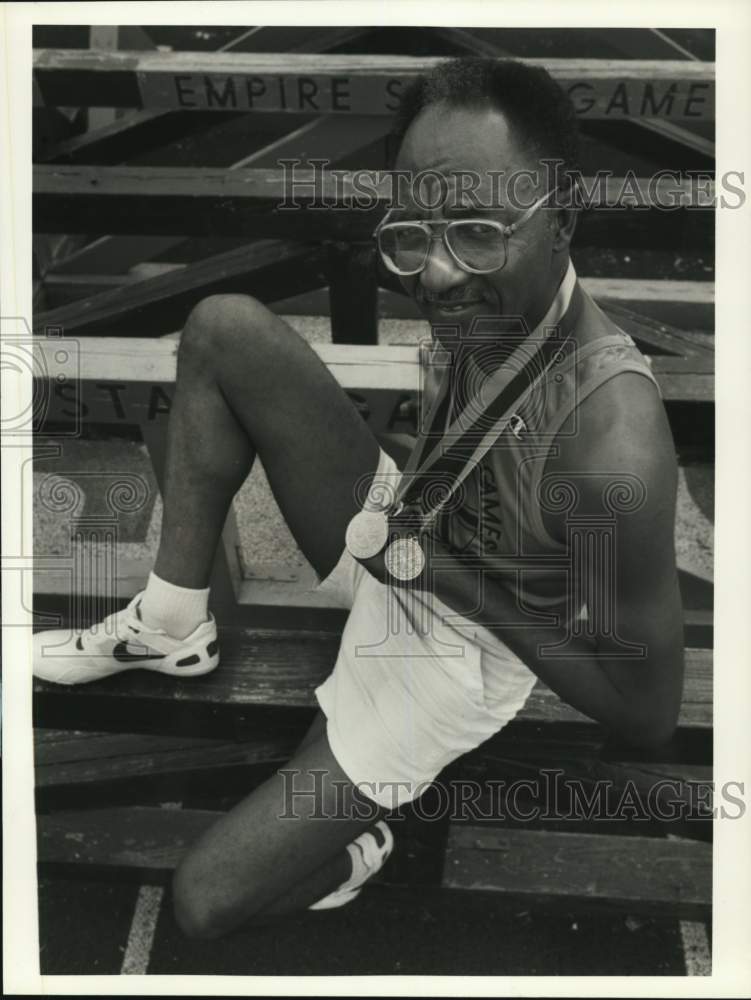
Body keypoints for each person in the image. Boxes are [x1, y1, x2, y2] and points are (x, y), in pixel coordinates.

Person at [33, 57, 684, 939]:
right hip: (406, 532)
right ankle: (173, 622)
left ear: (562, 218)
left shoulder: (610, 444)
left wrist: (442, 573)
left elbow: (642, 713)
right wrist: (412, 519)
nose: (439, 275)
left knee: (205, 902)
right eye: (415, 232)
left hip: (454, 652)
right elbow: (477, 440)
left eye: (478, 233)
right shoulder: (497, 297)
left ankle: (357, 847)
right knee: (226, 328)